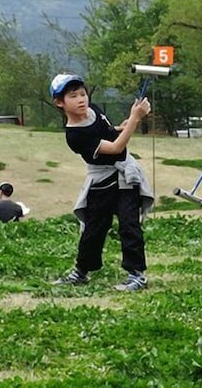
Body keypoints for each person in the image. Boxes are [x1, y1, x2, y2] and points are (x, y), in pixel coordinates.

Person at [50, 73, 154, 292]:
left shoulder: (94, 109)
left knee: (129, 225)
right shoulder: (75, 136)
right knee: (94, 229)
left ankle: (137, 275)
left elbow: (110, 133)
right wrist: (134, 119)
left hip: (125, 177)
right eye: (73, 96)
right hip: (102, 181)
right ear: (60, 103)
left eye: (82, 93)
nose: (81, 99)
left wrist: (123, 125)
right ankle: (81, 271)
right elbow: (115, 148)